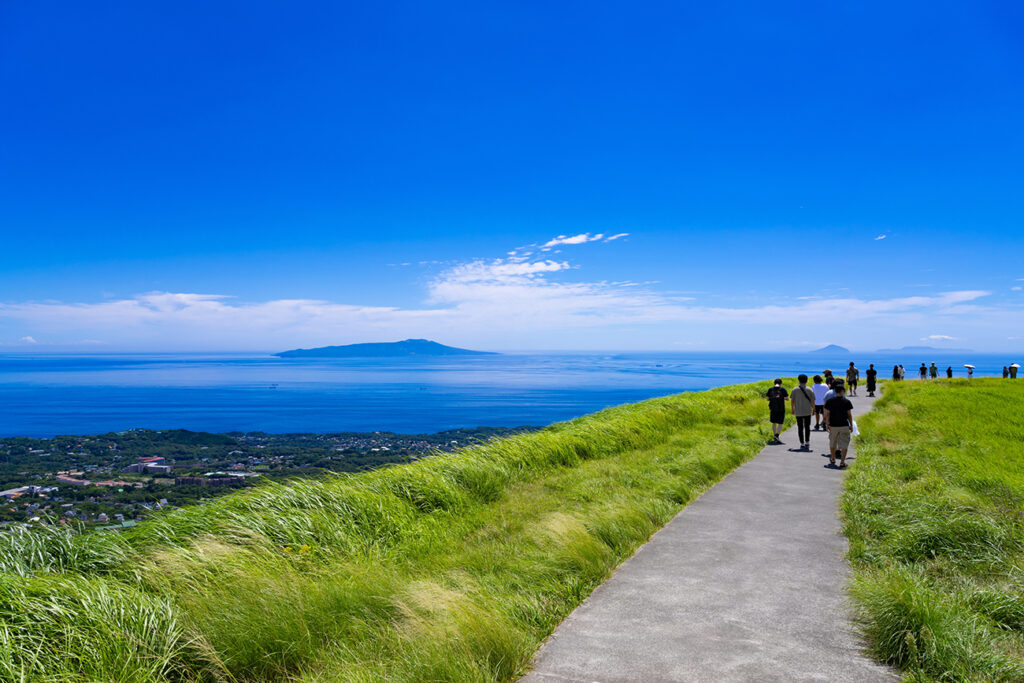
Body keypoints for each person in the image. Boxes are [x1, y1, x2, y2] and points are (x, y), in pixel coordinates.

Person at [824, 383, 854, 468]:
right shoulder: (846, 401)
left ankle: (833, 458)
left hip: (833, 425)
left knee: (832, 442)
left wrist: (827, 424)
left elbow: (827, 414)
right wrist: (851, 424)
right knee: (844, 444)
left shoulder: (830, 401)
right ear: (842, 391)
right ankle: (842, 462)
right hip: (844, 425)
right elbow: (849, 415)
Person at [790, 374, 815, 450]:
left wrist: (792, 409)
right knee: (807, 427)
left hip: (798, 411)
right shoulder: (810, 390)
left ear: (799, 380)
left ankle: (802, 443)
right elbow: (812, 401)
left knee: (800, 428)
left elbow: (792, 401)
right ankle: (807, 442)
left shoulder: (794, 390)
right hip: (807, 411)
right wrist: (814, 409)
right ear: (806, 380)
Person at [766, 379, 788, 444]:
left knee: (774, 422)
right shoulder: (782, 389)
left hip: (772, 408)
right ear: (781, 383)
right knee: (780, 423)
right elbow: (787, 398)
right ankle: (777, 435)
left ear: (774, 383)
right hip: (781, 408)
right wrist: (782, 398)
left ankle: (774, 434)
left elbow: (767, 398)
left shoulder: (770, 389)